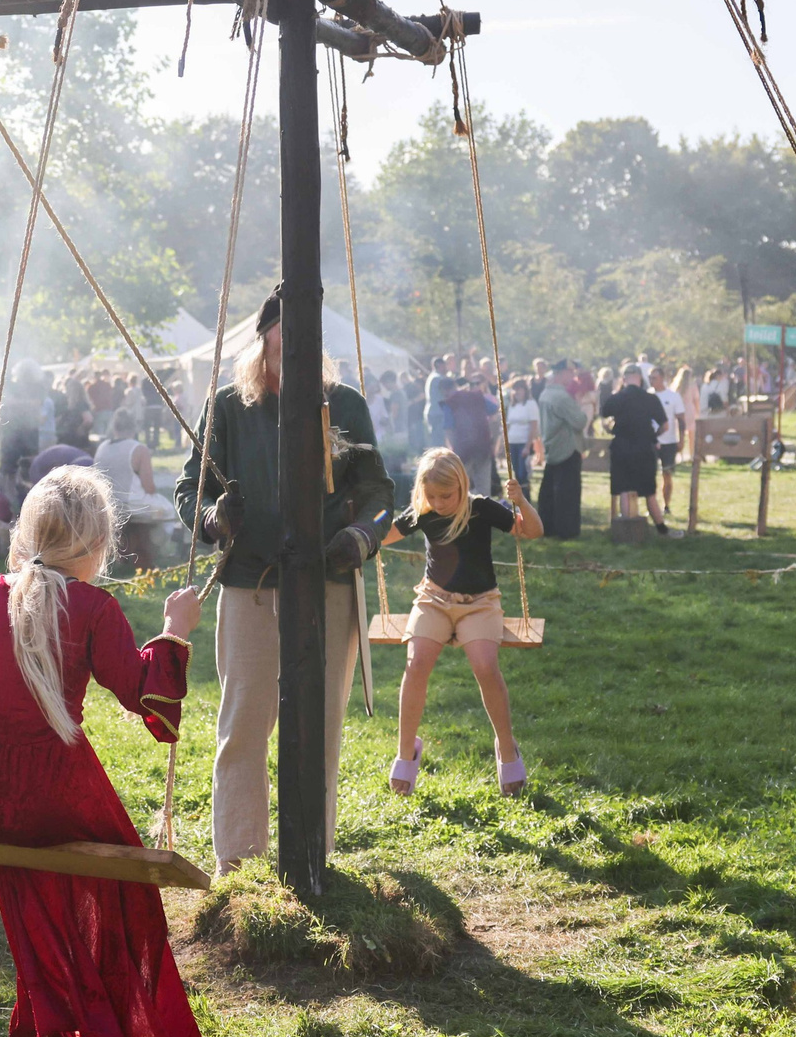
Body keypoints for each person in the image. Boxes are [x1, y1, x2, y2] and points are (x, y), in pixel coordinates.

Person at [0, 468, 220, 1037]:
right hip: (54, 790)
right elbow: (147, 701)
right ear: (98, 546)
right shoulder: (94, 607)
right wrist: (176, 631)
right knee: (125, 896)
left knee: (34, 895)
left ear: (27, 534)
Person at [175, 287, 393, 872]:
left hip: (327, 587)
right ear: (265, 335)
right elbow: (189, 485)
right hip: (249, 583)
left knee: (319, 728)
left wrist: (360, 538)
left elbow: (378, 493)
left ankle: (312, 860)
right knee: (244, 724)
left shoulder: (343, 403)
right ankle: (239, 867)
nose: (295, 342)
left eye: (307, 333)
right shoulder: (227, 406)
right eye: (285, 330)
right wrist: (212, 518)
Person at [383, 447, 542, 795]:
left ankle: (505, 745)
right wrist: (364, 513)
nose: (439, 503)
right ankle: (405, 751)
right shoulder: (424, 512)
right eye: (432, 496)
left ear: (462, 485)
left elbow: (532, 531)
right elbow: (383, 536)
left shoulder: (481, 508)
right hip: (434, 599)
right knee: (416, 664)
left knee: (485, 666)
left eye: (446, 495)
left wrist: (521, 501)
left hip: (479, 603)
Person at [600, 364, 665, 529]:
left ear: (623, 379)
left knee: (624, 488)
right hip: (644, 448)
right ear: (640, 378)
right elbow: (665, 425)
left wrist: (610, 428)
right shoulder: (650, 398)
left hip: (621, 448)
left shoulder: (616, 398)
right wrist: (653, 437)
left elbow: (604, 417)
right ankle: (661, 527)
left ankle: (627, 529)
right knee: (649, 491)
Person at [534, 366, 590, 540]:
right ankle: (567, 530)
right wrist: (583, 409)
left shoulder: (545, 394)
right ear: (560, 373)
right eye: (570, 372)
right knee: (568, 492)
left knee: (549, 491)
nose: (573, 376)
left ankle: (547, 526)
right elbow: (579, 421)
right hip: (567, 448)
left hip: (552, 446)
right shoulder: (561, 397)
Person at [94, 409, 174, 527]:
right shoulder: (139, 449)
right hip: (131, 504)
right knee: (168, 509)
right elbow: (149, 487)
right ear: (134, 427)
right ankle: (154, 543)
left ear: (114, 428)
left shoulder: (102, 447)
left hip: (106, 502)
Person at [658, 368, 692, 519]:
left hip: (669, 441)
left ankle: (666, 505)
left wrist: (681, 440)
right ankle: (652, 505)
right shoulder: (648, 395)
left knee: (667, 474)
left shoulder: (673, 396)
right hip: (651, 441)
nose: (652, 380)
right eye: (650, 378)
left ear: (662, 378)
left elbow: (681, 419)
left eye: (655, 377)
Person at [503, 377, 538, 495]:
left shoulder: (530, 404)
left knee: (523, 473)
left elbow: (533, 425)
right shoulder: (513, 405)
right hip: (513, 442)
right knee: (516, 473)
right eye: (515, 389)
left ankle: (526, 498)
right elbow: (508, 425)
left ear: (525, 390)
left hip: (523, 442)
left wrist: (528, 446)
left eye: (519, 389)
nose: (517, 392)